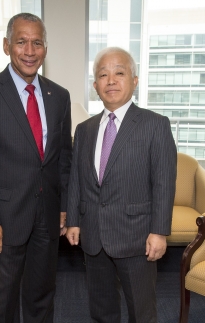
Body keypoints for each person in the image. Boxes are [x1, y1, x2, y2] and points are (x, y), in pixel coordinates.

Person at [0, 13, 72, 323]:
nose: (29, 50)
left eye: (37, 43)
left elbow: (63, 158)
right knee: (3, 298)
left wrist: (63, 207)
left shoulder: (59, 96)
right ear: (7, 46)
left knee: (41, 294)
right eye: (21, 42)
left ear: (45, 49)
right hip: (5, 219)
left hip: (47, 217)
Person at [66, 47, 177, 323]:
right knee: (101, 310)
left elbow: (164, 182)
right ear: (95, 85)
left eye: (119, 73)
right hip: (93, 236)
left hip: (137, 238)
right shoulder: (85, 129)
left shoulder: (155, 125)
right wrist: (74, 221)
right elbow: (77, 179)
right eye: (103, 75)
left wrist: (159, 232)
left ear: (135, 80)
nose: (111, 80)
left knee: (142, 311)